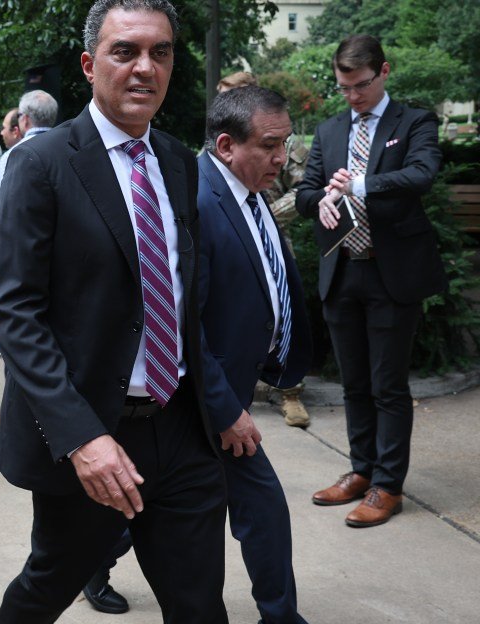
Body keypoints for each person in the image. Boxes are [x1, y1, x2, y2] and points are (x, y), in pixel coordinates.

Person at [0, 1, 229, 621]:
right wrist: (81, 437)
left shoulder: (177, 161)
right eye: (126, 51)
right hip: (92, 433)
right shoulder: (42, 164)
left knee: (200, 605)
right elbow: (15, 311)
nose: (145, 67)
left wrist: (221, 405)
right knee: (46, 589)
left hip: (180, 428)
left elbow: (177, 295)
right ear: (90, 63)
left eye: (161, 52)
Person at [296, 34, 445, 528]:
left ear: (383, 71)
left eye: (360, 85)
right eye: (343, 87)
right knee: (354, 384)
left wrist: (359, 183)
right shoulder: (330, 128)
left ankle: (388, 485)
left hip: (391, 272)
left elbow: (422, 174)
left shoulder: (415, 121)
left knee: (387, 386)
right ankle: (361, 471)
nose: (352, 96)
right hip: (342, 270)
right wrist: (317, 200)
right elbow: (305, 192)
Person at [199, 85, 313, 623]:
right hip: (201, 401)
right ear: (226, 145)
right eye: (270, 146)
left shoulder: (250, 193)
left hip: (236, 388)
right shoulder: (196, 201)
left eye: (285, 144)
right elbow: (178, 325)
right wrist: (225, 409)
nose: (281, 159)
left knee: (256, 508)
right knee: (253, 506)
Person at [216, 71, 313, 429]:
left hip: (271, 235)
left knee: (280, 312)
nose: (281, 155)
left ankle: (290, 393)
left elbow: (303, 189)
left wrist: (267, 216)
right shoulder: (224, 141)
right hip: (237, 239)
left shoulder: (277, 138)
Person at [0, 90, 58, 183]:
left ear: (25, 119)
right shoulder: (71, 146)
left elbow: (7, 196)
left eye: (19, 115)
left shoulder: (10, 156)